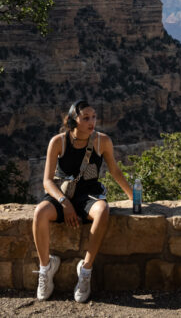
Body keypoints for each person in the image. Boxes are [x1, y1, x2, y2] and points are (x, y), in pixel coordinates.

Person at [32, 99, 133, 302]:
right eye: (86, 117)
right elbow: (47, 181)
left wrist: (134, 197)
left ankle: (85, 270)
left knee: (103, 210)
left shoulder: (102, 141)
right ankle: (46, 268)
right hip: (62, 194)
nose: (91, 121)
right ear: (73, 120)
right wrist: (64, 203)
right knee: (40, 213)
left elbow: (114, 171)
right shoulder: (58, 141)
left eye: (94, 117)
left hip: (89, 194)